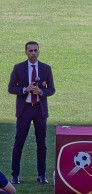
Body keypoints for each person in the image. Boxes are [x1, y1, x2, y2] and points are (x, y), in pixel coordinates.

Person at [8, 41, 55, 184]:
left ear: (39, 51)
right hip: (25, 109)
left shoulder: (46, 68)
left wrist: (41, 91)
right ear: (26, 52)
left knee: (42, 144)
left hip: (40, 110)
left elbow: (51, 89)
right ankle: (15, 175)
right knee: (19, 142)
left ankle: (42, 175)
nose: (33, 53)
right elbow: (11, 88)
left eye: (35, 50)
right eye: (30, 51)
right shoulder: (18, 68)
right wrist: (24, 89)